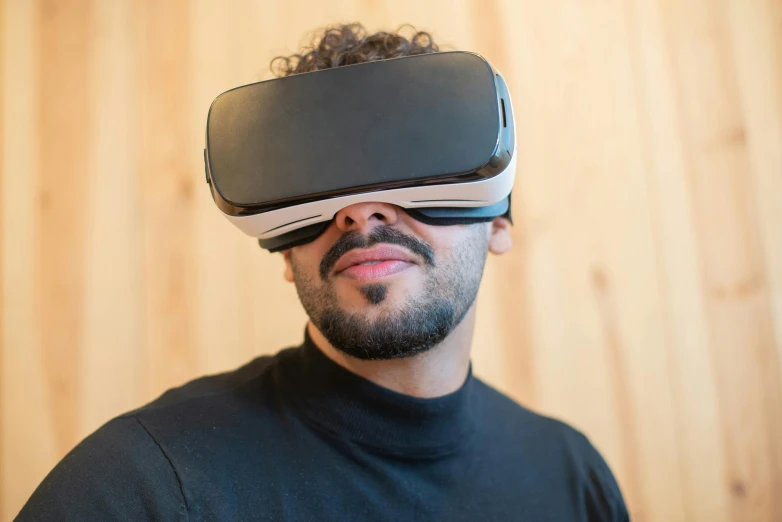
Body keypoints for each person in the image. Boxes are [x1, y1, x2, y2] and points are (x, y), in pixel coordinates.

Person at [17, 23, 629, 521]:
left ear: (498, 223)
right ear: (286, 253)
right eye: (321, 187)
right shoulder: (143, 485)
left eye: (411, 168)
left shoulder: (572, 480)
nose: (359, 212)